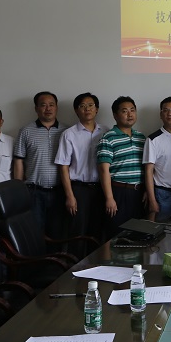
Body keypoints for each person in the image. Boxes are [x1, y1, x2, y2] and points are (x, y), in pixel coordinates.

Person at [54, 93, 109, 256]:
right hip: (78, 189)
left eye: (90, 105)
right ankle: (75, 266)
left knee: (97, 230)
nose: (87, 109)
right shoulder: (69, 134)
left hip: (100, 188)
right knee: (77, 231)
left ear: (97, 109)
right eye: (82, 106)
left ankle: (95, 265)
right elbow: (63, 167)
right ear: (76, 111)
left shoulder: (106, 131)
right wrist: (70, 196)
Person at [13, 91, 67, 239]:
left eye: (51, 105)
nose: (48, 108)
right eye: (43, 105)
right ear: (36, 108)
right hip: (34, 192)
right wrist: (18, 191)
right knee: (34, 233)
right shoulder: (25, 131)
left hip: (60, 192)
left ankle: (56, 255)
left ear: (56, 107)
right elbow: (18, 161)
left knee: (58, 233)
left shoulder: (67, 131)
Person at [97, 96, 146, 237]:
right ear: (115, 115)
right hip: (119, 192)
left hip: (139, 193)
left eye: (132, 110)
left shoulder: (141, 138)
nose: (130, 114)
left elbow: (147, 168)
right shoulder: (108, 138)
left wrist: (147, 190)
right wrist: (109, 198)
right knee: (117, 235)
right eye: (124, 111)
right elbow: (103, 170)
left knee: (138, 234)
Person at [143, 96, 171, 216]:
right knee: (163, 227)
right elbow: (148, 171)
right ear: (161, 115)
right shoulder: (153, 139)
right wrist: (152, 200)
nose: (169, 113)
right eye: (165, 110)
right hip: (162, 195)